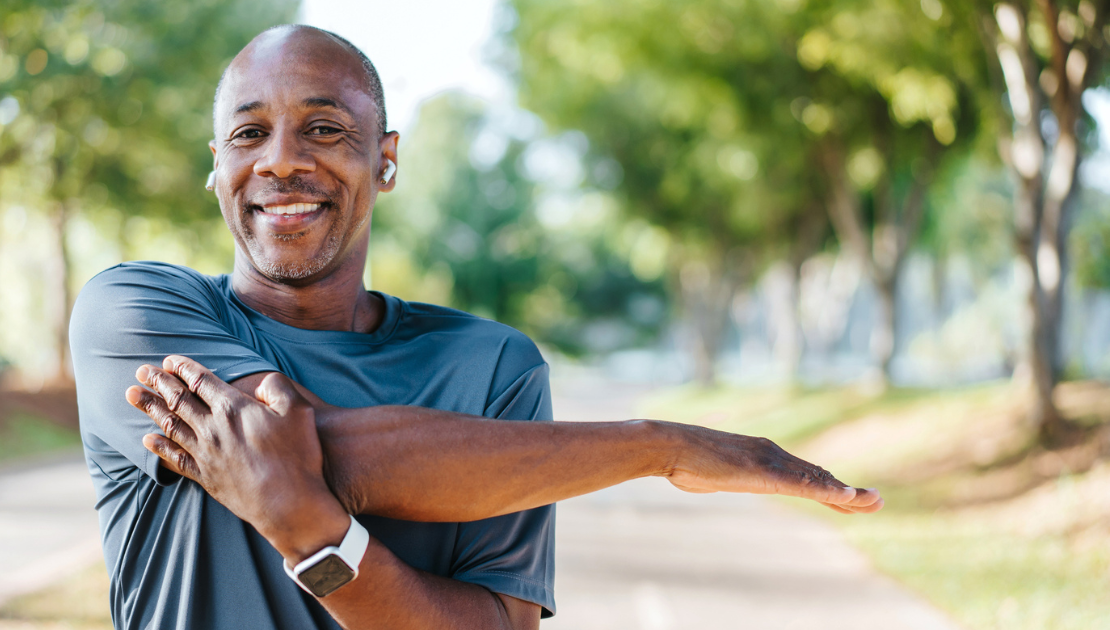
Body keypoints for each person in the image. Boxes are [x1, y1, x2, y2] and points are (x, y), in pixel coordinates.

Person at [69, 24, 882, 630]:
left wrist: (318, 533)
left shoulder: (493, 368)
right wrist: (655, 447)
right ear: (216, 165)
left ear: (384, 160)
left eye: (324, 129)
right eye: (249, 133)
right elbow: (293, 448)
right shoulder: (137, 312)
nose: (281, 160)